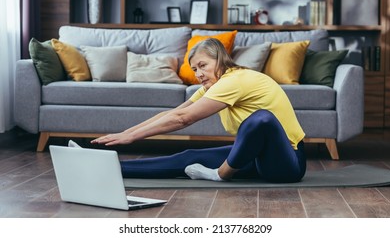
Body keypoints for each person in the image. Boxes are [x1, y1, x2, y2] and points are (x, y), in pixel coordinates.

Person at [91, 38, 306, 183]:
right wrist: (126, 133)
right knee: (189, 156)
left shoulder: (236, 80)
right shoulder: (214, 85)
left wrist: (133, 138)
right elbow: (173, 113)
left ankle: (220, 175)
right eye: (194, 69)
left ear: (220, 59)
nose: (198, 74)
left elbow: (183, 119)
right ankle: (105, 168)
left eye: (203, 65)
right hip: (255, 158)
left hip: (287, 163)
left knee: (262, 119)